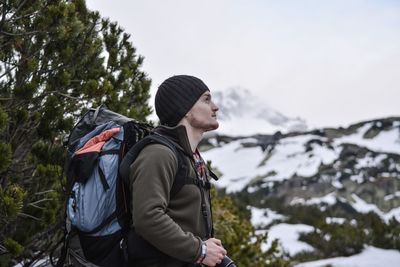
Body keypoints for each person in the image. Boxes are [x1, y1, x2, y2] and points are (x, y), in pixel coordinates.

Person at [128, 75, 227, 267]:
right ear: (186, 109)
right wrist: (200, 250)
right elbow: (147, 217)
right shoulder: (159, 154)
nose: (215, 107)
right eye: (206, 99)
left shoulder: (190, 157)